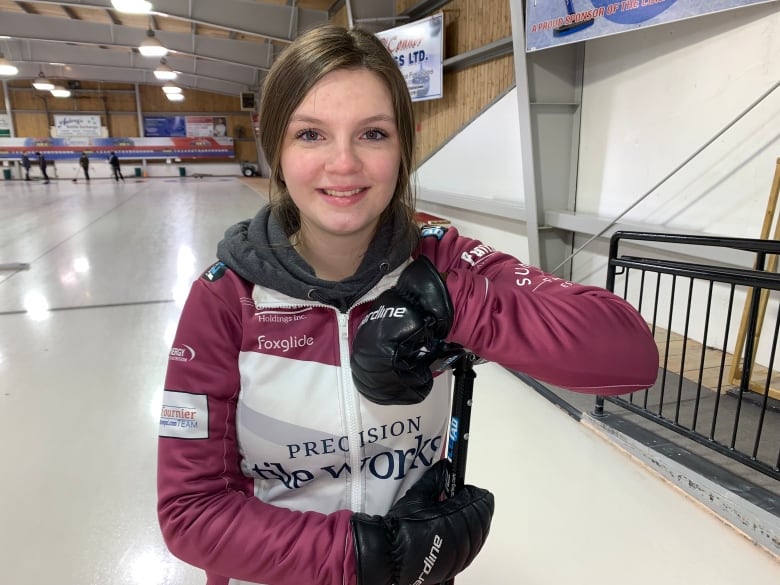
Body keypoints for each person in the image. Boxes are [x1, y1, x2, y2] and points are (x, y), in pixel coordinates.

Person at [157, 24, 660, 585]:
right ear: (275, 147)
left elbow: (629, 357)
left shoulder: (446, 263)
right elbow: (191, 513)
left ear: (403, 146)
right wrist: (367, 557)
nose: (343, 164)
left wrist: (456, 305)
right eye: (311, 135)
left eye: (372, 134)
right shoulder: (227, 297)